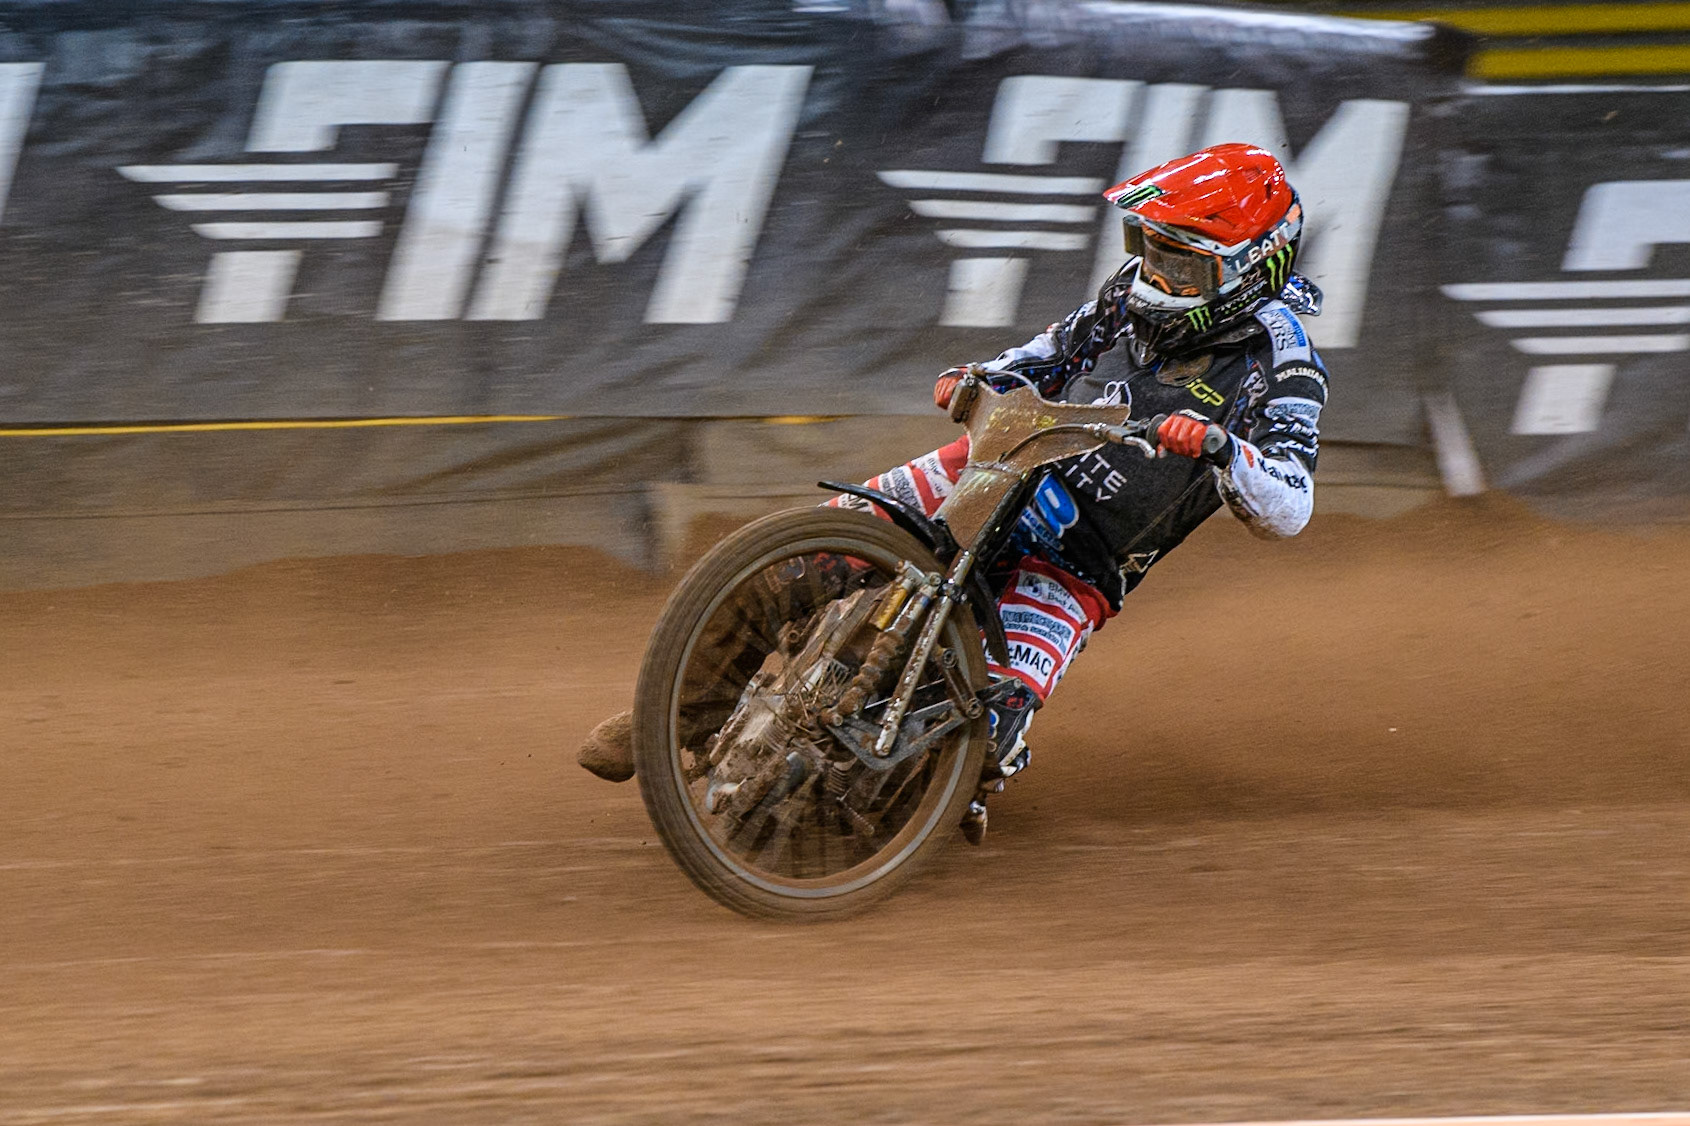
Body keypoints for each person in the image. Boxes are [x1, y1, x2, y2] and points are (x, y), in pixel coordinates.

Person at [578, 143, 1328, 847]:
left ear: (1252, 268)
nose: (1159, 278)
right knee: (804, 553)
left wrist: (1227, 448)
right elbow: (1046, 354)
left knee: (990, 727)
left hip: (1080, 563)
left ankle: (896, 811)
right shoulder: (1126, 298)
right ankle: (677, 713)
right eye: (1151, 251)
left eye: (1184, 265)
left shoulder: (1284, 367)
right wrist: (982, 378)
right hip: (996, 467)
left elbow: (1290, 506)